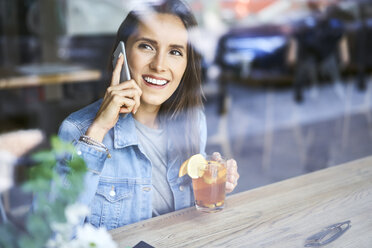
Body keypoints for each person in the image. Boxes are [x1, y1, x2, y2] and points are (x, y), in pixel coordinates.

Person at [58, 0, 240, 230]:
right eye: (147, 46)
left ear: (186, 64)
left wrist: (212, 183)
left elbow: (189, 214)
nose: (159, 65)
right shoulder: (77, 129)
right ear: (120, 54)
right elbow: (55, 232)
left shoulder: (193, 121)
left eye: (175, 51)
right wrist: (97, 132)